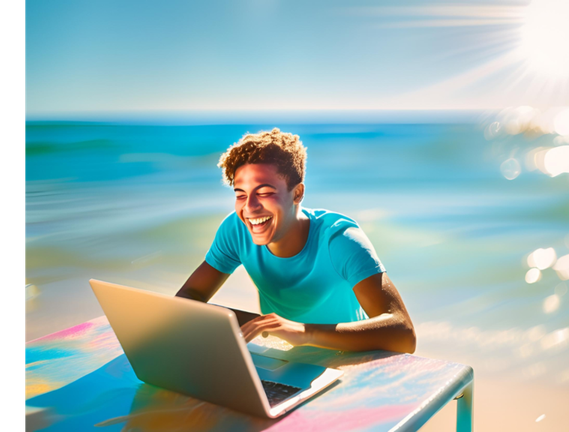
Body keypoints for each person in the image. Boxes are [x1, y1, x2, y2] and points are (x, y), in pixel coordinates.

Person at [176, 128, 416, 354]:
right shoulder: (236, 230)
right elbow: (187, 298)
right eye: (241, 195)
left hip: (351, 360)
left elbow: (403, 334)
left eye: (264, 192)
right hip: (284, 359)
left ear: (297, 193)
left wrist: (304, 331)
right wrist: (261, 325)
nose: (249, 208)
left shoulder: (340, 239)